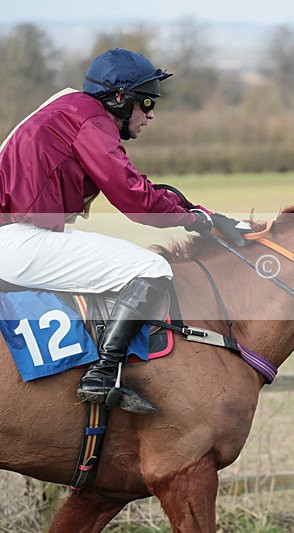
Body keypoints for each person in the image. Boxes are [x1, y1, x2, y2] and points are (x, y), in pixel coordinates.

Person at [0, 48, 249, 414]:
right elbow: (137, 202)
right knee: (151, 268)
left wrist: (201, 213)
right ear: (119, 99)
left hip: (19, 233)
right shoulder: (91, 122)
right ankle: (102, 373)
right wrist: (197, 222)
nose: (150, 114)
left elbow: (138, 187)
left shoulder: (72, 107)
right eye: (146, 102)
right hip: (17, 240)